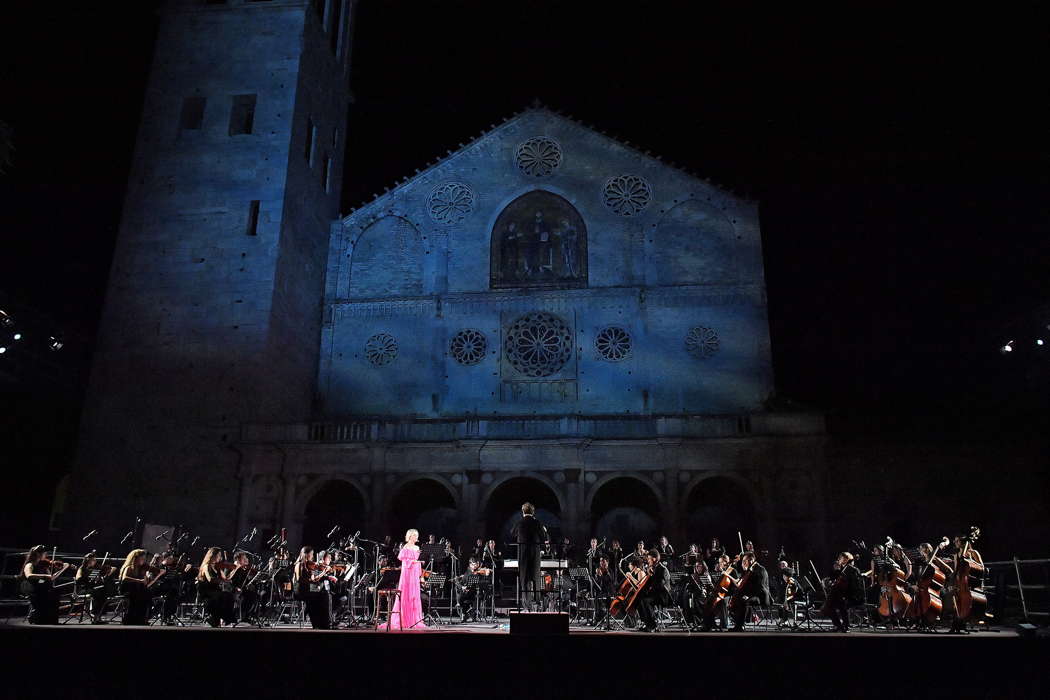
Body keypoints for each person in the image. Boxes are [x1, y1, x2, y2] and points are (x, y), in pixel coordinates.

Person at [382, 528, 426, 630]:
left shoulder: (417, 547)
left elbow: (418, 561)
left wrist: (420, 572)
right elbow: (405, 563)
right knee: (406, 595)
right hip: (407, 575)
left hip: (414, 574)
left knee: (414, 595)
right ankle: (404, 619)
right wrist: (415, 561)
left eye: (417, 535)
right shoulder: (406, 547)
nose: (416, 537)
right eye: (415, 535)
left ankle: (414, 620)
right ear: (410, 536)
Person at [511, 502, 548, 611]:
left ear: (523, 512)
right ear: (533, 512)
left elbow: (512, 533)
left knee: (524, 578)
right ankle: (537, 603)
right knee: (536, 577)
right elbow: (543, 536)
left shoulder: (519, 522)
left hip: (523, 554)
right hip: (535, 553)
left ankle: (526, 605)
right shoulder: (537, 522)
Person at [22, 545, 69, 624]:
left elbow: (51, 577)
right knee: (47, 594)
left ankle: (51, 620)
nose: (46, 555)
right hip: (31, 587)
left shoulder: (44, 565)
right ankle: (37, 617)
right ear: (38, 554)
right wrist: (45, 576)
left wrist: (63, 568)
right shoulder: (30, 564)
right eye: (44, 553)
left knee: (55, 593)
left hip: (41, 588)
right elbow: (29, 575)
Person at [119, 548, 164, 625]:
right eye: (142, 558)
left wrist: (158, 569)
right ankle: (133, 618)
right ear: (135, 559)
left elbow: (156, 570)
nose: (143, 560)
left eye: (144, 559)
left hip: (137, 590)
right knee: (142, 595)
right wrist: (139, 581)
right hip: (127, 590)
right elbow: (125, 578)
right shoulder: (129, 567)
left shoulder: (143, 566)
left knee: (146, 594)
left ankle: (142, 618)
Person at [294, 546, 334, 629]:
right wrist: (310, 581)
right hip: (300, 590)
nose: (312, 556)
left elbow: (315, 579)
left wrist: (324, 571)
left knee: (324, 594)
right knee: (318, 597)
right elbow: (299, 579)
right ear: (306, 554)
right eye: (311, 554)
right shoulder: (299, 564)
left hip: (308, 590)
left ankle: (323, 624)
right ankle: (317, 623)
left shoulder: (310, 566)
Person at [730, 552, 771, 630]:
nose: (744, 563)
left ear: (751, 560)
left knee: (743, 601)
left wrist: (749, 595)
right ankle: (738, 623)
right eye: (743, 561)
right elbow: (745, 585)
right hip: (753, 595)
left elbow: (760, 587)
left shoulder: (760, 569)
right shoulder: (750, 570)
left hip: (761, 596)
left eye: (745, 560)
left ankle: (739, 626)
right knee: (737, 599)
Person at [825, 551, 864, 633]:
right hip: (841, 594)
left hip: (850, 595)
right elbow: (836, 580)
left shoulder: (852, 569)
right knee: (829, 607)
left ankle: (844, 626)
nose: (839, 559)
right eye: (839, 557)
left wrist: (839, 573)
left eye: (841, 557)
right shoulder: (841, 568)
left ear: (846, 559)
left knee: (837, 604)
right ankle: (839, 625)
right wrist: (834, 576)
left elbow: (854, 585)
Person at [197, 548, 235, 627]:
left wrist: (235, 570)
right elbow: (210, 579)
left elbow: (225, 579)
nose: (220, 557)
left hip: (216, 591)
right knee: (223, 596)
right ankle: (222, 618)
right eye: (219, 555)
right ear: (213, 555)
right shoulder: (206, 566)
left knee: (229, 596)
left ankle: (221, 618)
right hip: (207, 592)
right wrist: (223, 581)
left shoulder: (217, 567)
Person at [636, 550, 673, 632]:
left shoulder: (662, 569)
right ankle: (646, 623)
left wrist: (652, 575)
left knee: (646, 601)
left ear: (655, 559)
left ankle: (653, 626)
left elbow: (660, 586)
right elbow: (648, 585)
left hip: (663, 596)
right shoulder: (654, 569)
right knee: (639, 599)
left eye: (649, 559)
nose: (648, 561)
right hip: (655, 594)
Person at [75, 552, 114, 624]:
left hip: (91, 589)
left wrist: (100, 578)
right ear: (87, 560)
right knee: (99, 593)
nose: (94, 561)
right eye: (93, 560)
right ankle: (95, 615)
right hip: (83, 589)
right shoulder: (81, 568)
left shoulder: (96, 569)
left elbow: (96, 582)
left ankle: (97, 616)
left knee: (104, 592)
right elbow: (78, 579)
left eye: (95, 560)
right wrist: (89, 578)